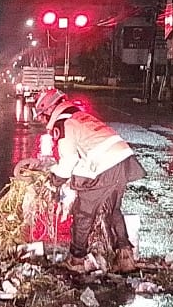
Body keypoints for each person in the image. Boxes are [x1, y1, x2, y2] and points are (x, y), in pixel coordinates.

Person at [33, 87, 145, 274]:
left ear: (49, 110)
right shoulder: (78, 116)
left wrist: (54, 180)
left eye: (42, 115)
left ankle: (76, 260)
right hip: (123, 161)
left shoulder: (63, 124)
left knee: (83, 212)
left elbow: (68, 161)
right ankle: (126, 258)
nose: (43, 120)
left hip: (106, 166)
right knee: (113, 210)